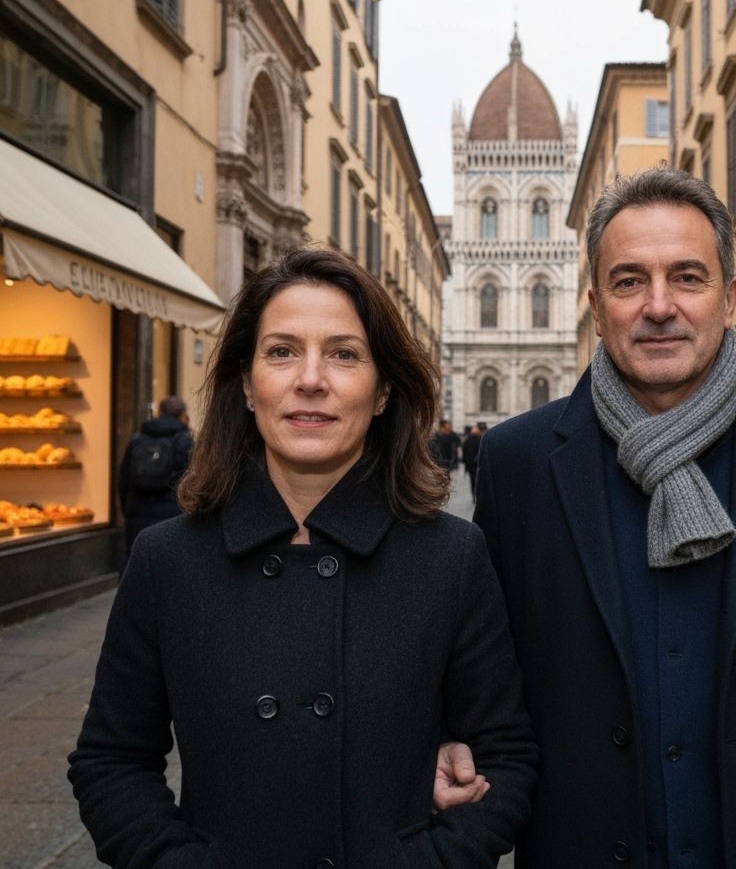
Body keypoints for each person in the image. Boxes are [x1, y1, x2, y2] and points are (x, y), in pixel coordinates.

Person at [436, 168, 736, 867]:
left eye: (687, 277)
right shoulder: (519, 463)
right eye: (629, 281)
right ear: (596, 307)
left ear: (728, 300)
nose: (659, 305)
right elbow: (483, 671)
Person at [69, 248, 537, 868]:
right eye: (282, 351)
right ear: (246, 380)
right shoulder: (168, 560)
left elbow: (506, 758)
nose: (310, 379)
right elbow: (111, 761)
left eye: (344, 354)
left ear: (382, 392)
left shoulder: (450, 557)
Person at [116, 395, 192, 558]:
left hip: (137, 514)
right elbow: (194, 483)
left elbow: (123, 480)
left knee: (136, 565)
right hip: (172, 516)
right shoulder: (184, 441)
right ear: (182, 415)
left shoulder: (138, 439)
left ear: (160, 412)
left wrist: (129, 510)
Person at [461, 423, 484, 500]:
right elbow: (464, 452)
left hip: (478, 464)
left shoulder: (480, 439)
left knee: (478, 481)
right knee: (473, 481)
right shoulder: (469, 440)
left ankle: (477, 495)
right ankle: (474, 495)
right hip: (471, 464)